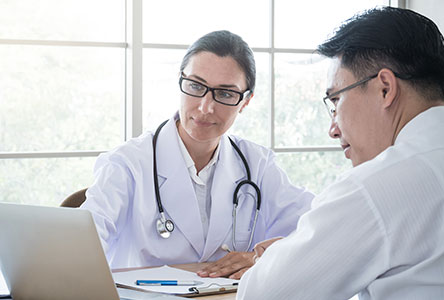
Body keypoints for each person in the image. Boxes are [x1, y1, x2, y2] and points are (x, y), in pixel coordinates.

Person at [237, 7, 444, 300]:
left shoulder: (377, 187)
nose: (333, 129)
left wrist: (284, 257)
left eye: (336, 100)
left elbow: (262, 295)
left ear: (385, 88)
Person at [81, 30, 313, 278]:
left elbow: (317, 227)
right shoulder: (127, 163)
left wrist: (263, 256)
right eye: (195, 85)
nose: (205, 107)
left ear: (245, 101)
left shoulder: (257, 165)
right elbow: (80, 249)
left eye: (225, 94)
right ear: (181, 82)